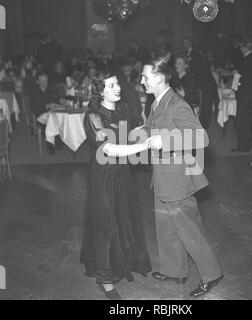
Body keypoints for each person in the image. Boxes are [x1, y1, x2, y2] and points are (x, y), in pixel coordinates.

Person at [140, 58, 223, 298]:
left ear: (159, 77)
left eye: (145, 76)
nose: (141, 81)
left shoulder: (176, 103)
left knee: (189, 227)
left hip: (177, 177)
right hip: (163, 174)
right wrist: (137, 134)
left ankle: (212, 273)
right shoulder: (158, 101)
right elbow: (150, 128)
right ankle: (175, 270)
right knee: (165, 225)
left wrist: (164, 141)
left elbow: (201, 138)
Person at [80, 73, 152, 300]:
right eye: (111, 85)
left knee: (124, 218)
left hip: (123, 174)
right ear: (100, 90)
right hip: (103, 176)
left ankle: (124, 265)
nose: (117, 87)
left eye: (117, 83)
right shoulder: (93, 116)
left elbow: (129, 136)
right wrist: (142, 147)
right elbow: (108, 149)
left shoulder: (122, 111)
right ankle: (105, 279)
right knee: (106, 224)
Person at [231, 38, 252, 152]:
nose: (240, 49)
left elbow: (246, 78)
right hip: (249, 94)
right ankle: (244, 145)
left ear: (245, 47)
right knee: (246, 119)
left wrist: (237, 74)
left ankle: (243, 146)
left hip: (246, 94)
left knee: (243, 120)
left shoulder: (249, 60)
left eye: (241, 47)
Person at [183, 37, 219, 129]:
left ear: (191, 43)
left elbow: (196, 71)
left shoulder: (195, 54)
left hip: (207, 83)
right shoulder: (191, 53)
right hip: (204, 82)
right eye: (184, 43)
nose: (185, 45)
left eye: (187, 42)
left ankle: (205, 125)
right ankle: (203, 124)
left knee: (207, 105)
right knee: (205, 104)